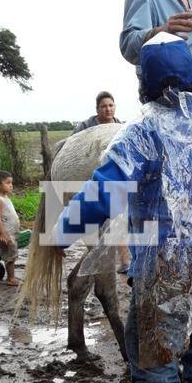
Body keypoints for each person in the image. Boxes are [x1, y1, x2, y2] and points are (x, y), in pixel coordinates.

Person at [51, 33, 192, 383]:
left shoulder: (141, 134)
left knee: (157, 380)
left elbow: (102, 194)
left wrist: (60, 235)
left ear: (143, 84)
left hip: (166, 277)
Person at [70, 91, 130, 273]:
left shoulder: (121, 127)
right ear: (97, 109)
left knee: (118, 218)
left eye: (111, 105)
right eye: (104, 106)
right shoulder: (86, 127)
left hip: (113, 179)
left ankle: (125, 259)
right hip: (92, 178)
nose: (108, 109)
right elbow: (73, 147)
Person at [0, 170, 21, 287]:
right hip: (6, 234)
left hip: (11, 233)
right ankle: (10, 278)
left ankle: (12, 276)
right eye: (8, 183)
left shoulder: (5, 198)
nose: (11, 185)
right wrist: (2, 234)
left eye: (11, 183)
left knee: (12, 255)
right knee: (10, 257)